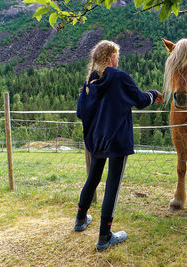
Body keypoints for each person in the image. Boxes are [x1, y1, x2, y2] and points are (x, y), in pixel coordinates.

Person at [74, 40, 164, 251]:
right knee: (112, 185)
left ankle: (80, 219)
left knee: (93, 178)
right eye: (117, 55)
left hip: (96, 141)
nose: (118, 59)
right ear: (111, 57)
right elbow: (141, 100)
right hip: (116, 140)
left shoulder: (90, 83)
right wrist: (153, 93)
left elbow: (81, 113)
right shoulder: (119, 77)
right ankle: (104, 236)